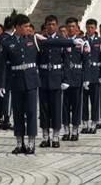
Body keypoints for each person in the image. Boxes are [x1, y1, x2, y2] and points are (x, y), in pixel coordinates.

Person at [0, 14, 83, 155]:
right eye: (25, 26)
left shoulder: (34, 39)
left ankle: (31, 143)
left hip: (31, 81)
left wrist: (71, 43)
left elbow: (51, 43)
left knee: (31, 113)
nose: (28, 29)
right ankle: (19, 143)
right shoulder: (7, 42)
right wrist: (0, 84)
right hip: (16, 81)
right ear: (17, 27)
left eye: (29, 26)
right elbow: (2, 65)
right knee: (18, 114)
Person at [38, 15, 68, 148]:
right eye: (48, 24)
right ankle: (45, 136)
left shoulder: (62, 40)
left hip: (56, 77)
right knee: (44, 109)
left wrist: (65, 79)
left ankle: (55, 136)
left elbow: (66, 61)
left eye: (53, 24)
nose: (51, 26)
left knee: (56, 108)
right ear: (45, 26)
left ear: (56, 25)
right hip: (43, 77)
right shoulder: (40, 41)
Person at [62, 17, 86, 141]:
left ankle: (75, 130)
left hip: (77, 77)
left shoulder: (82, 42)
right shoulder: (62, 42)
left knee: (76, 105)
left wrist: (86, 78)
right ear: (66, 28)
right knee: (64, 105)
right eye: (69, 27)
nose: (71, 29)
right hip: (64, 78)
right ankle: (66, 130)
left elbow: (86, 61)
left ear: (77, 29)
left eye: (73, 27)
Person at [81, 18, 101, 134]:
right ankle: (85, 123)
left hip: (95, 74)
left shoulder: (100, 41)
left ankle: (94, 123)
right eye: (88, 27)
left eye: (92, 27)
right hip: (84, 74)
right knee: (84, 101)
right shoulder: (81, 40)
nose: (90, 29)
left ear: (95, 28)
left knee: (95, 101)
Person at [0, 19, 13, 130]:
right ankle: (6, 120)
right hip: (8, 70)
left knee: (0, 96)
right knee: (7, 96)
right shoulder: (8, 39)